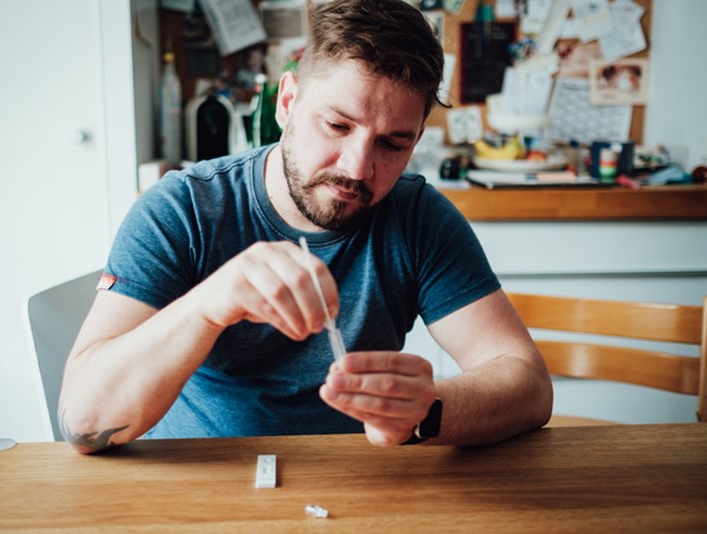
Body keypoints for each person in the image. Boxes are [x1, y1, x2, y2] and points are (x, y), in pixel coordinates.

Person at [58, 0, 553, 454]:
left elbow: (528, 384)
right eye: (338, 126)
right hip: (200, 491)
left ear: (416, 138)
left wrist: (430, 410)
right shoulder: (182, 210)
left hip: (353, 491)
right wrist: (209, 305)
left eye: (392, 144)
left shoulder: (417, 217)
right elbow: (81, 421)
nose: (358, 168)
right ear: (287, 102)